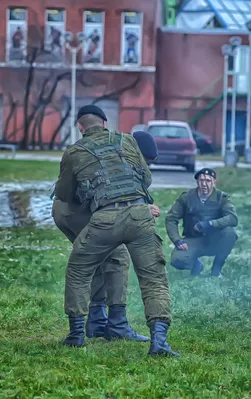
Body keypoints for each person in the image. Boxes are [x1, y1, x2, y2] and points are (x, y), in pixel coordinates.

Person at [55, 105, 178, 356]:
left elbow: (65, 194)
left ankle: (77, 335)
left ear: (80, 127)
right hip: (140, 215)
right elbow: (145, 179)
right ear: (104, 122)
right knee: (153, 278)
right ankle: (159, 342)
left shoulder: (74, 151)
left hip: (105, 218)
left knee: (79, 270)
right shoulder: (128, 140)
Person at [51, 130, 159, 343]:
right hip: (74, 211)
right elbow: (117, 198)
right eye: (146, 161)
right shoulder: (120, 155)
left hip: (70, 210)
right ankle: (114, 324)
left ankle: (96, 321)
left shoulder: (112, 148)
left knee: (100, 258)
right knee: (115, 256)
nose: (146, 165)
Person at [165, 168, 238, 277]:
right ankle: (196, 265)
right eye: (201, 180)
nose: (204, 184)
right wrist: (177, 240)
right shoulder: (187, 197)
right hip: (193, 239)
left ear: (214, 183)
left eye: (208, 181)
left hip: (214, 240)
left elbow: (232, 218)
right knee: (177, 260)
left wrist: (210, 224)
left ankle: (216, 270)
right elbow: (171, 218)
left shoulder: (221, 198)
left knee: (230, 233)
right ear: (197, 182)